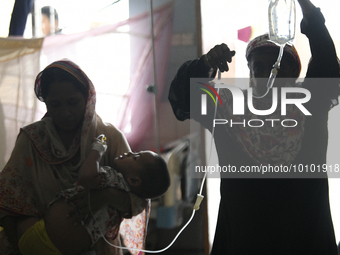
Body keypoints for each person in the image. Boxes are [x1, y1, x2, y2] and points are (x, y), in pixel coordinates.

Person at [168, 0, 340, 254]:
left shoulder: (310, 106)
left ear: (294, 74)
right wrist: (205, 64)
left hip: (306, 240)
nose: (265, 75)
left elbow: (328, 64)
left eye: (276, 66)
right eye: (257, 67)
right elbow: (182, 97)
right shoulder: (228, 110)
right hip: (244, 240)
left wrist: (306, 7)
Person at [0, 59, 148, 255]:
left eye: (72, 102)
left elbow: (140, 198)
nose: (65, 113)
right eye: (55, 104)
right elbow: (7, 203)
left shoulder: (109, 138)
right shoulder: (32, 140)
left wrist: (105, 197)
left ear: (87, 97)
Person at [17, 136, 170, 255]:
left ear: (134, 180)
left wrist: (97, 150)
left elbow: (86, 177)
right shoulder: (132, 203)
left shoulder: (112, 178)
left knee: (15, 216)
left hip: (43, 236)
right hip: (62, 250)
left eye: (136, 157)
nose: (130, 152)